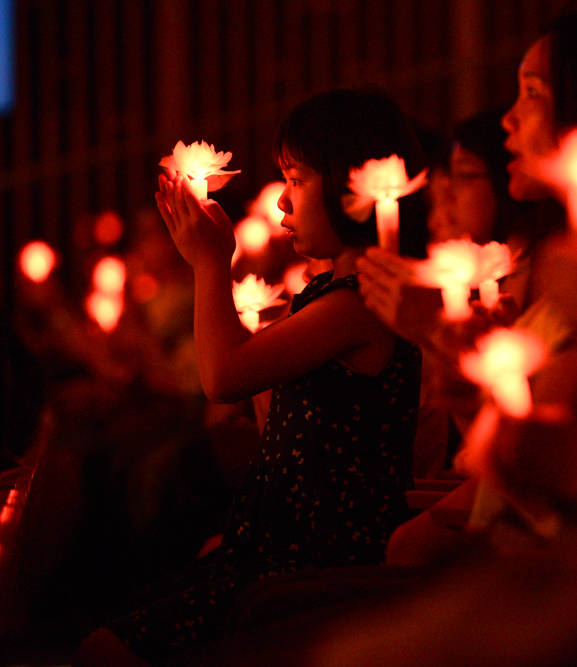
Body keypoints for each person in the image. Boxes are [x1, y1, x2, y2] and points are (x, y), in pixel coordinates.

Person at [75, 87, 425, 666]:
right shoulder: (329, 294)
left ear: (351, 183)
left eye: (297, 180)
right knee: (120, 618)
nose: (283, 201)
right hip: (273, 547)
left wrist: (211, 263)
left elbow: (222, 378)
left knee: (104, 651)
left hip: (313, 561)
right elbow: (267, 408)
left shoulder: (357, 304)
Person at [358, 4, 577, 568]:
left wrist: (439, 331)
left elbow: (553, 485)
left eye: (532, 92)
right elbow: (498, 462)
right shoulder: (567, 275)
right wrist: (465, 371)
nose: (508, 118)